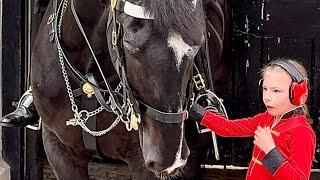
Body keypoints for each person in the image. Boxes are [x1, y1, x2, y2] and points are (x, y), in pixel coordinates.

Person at [190, 58, 316, 179]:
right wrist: (192, 109)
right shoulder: (265, 119)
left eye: (276, 91)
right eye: (265, 89)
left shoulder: (302, 132)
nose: (267, 97)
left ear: (298, 94)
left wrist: (270, 151)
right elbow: (227, 127)